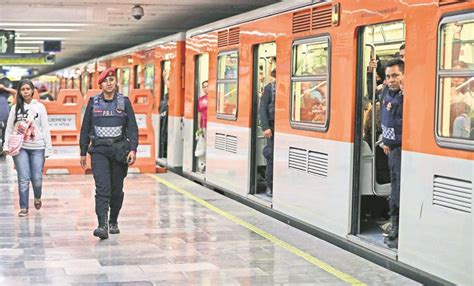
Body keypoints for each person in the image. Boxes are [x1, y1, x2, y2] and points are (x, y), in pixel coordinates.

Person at [79, 68, 138, 240]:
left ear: (116, 82)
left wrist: (133, 149)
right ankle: (102, 225)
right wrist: (83, 152)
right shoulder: (93, 102)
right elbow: (85, 128)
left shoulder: (124, 102)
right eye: (106, 81)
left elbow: (132, 128)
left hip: (119, 151)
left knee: (116, 190)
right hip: (99, 151)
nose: (109, 83)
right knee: (102, 188)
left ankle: (113, 221)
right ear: (101, 84)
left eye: (112, 80)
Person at [2, 79, 52, 217]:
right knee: (23, 177)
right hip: (20, 147)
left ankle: (37, 196)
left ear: (32, 91)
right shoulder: (15, 108)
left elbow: (45, 128)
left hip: (38, 147)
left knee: (36, 178)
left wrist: (48, 148)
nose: (25, 92)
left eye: (27, 89)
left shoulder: (40, 107)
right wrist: (6, 145)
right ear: (19, 92)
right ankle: (24, 207)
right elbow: (9, 129)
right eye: (22, 90)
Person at [380, 58, 404, 248]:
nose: (391, 80)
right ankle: (394, 227)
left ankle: (397, 231)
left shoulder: (406, 96)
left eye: (395, 75)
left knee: (398, 191)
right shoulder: (386, 92)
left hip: (402, 149)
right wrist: (385, 140)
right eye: (388, 76)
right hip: (391, 148)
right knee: (394, 189)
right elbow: (385, 117)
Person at [259, 69, 276, 197]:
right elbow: (263, 108)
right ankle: (269, 185)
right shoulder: (269, 88)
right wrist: (265, 127)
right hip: (272, 126)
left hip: (282, 126)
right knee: (271, 157)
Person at [0, 76, 17, 159]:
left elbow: (15, 92)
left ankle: (3, 152)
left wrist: (5, 88)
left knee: (5, 133)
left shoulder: (5, 92)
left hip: (5, 114)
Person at [196, 80, 208, 172]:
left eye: (207, 86)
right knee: (203, 146)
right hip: (204, 125)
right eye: (204, 87)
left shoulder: (216, 97)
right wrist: (199, 127)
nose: (206, 88)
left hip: (213, 126)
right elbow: (199, 114)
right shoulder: (201, 100)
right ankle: (202, 165)